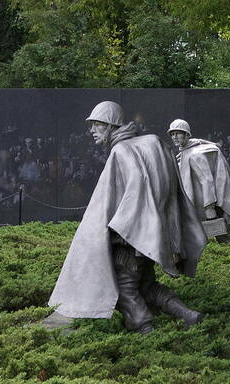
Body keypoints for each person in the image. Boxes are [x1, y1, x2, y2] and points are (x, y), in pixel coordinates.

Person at [48, 101, 207, 334]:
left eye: (97, 124)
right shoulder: (153, 143)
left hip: (128, 238)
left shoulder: (120, 151)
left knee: (123, 289)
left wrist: (112, 235)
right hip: (151, 236)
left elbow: (118, 202)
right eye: (91, 125)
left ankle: (144, 328)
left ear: (112, 125)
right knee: (145, 285)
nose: (92, 130)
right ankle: (187, 314)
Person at [168, 119, 230, 243]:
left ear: (186, 134)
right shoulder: (184, 153)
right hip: (190, 204)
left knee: (217, 239)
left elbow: (207, 181)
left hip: (202, 208)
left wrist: (209, 209)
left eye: (178, 133)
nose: (174, 137)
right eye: (172, 134)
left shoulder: (196, 154)